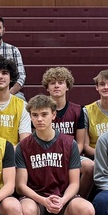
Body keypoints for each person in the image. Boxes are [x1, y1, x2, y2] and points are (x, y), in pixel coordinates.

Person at [16, 94, 94, 215]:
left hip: (63, 197)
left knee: (88, 209)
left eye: (44, 114)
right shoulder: (23, 146)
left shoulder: (69, 143)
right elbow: (21, 186)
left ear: (53, 115)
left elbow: (74, 183)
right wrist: (43, 200)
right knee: (25, 210)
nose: (39, 119)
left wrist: (62, 200)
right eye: (35, 115)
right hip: (35, 198)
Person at [42, 67, 95, 197]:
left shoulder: (77, 110)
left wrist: (67, 158)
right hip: (47, 155)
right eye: (52, 83)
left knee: (90, 166)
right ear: (47, 88)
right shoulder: (41, 111)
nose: (56, 86)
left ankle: (78, 197)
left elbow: (80, 143)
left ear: (67, 86)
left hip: (71, 155)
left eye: (60, 82)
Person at [83, 69, 108, 159]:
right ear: (97, 87)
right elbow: (85, 147)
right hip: (97, 157)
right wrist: (107, 156)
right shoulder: (87, 111)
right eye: (102, 84)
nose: (106, 87)